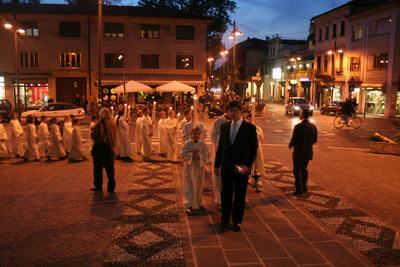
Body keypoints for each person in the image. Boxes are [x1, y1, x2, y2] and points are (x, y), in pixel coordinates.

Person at [214, 100, 258, 232]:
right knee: (226, 194)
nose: (232, 113)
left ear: (240, 111)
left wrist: (248, 166)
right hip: (227, 166)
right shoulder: (225, 127)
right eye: (230, 111)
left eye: (234, 110)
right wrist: (217, 165)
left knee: (240, 194)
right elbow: (221, 147)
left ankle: (237, 221)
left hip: (241, 167)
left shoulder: (249, 128)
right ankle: (224, 219)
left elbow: (253, 149)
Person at [180, 127, 209, 214]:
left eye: (198, 134)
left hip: (199, 168)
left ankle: (196, 203)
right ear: (191, 134)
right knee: (189, 185)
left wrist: (200, 156)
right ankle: (188, 204)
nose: (196, 135)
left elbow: (207, 155)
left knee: (198, 185)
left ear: (200, 135)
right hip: (189, 167)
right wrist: (191, 155)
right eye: (194, 134)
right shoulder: (187, 144)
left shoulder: (203, 144)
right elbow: (182, 154)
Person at [289, 109, 318, 195]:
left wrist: (291, 144)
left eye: (300, 113)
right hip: (308, 152)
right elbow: (315, 140)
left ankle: (298, 189)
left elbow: (294, 139)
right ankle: (304, 187)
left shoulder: (298, 127)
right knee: (304, 169)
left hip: (298, 152)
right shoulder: (313, 127)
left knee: (296, 170)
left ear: (302, 115)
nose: (299, 114)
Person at [90, 108, 117, 193]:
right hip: (109, 149)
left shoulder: (99, 124)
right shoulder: (112, 124)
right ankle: (111, 187)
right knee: (110, 169)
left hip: (99, 149)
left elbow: (94, 136)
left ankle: (98, 186)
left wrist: (92, 131)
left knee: (98, 169)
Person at [210, 108, 231, 205]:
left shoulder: (235, 120)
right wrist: (218, 145)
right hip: (220, 150)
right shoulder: (219, 121)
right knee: (219, 176)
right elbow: (213, 135)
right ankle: (219, 197)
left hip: (231, 152)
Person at [245, 116, 265, 193]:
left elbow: (261, 137)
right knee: (248, 166)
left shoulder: (257, 128)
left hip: (257, 150)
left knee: (257, 166)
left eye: (251, 118)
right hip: (247, 150)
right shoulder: (245, 128)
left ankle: (256, 182)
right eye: (248, 118)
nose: (250, 120)